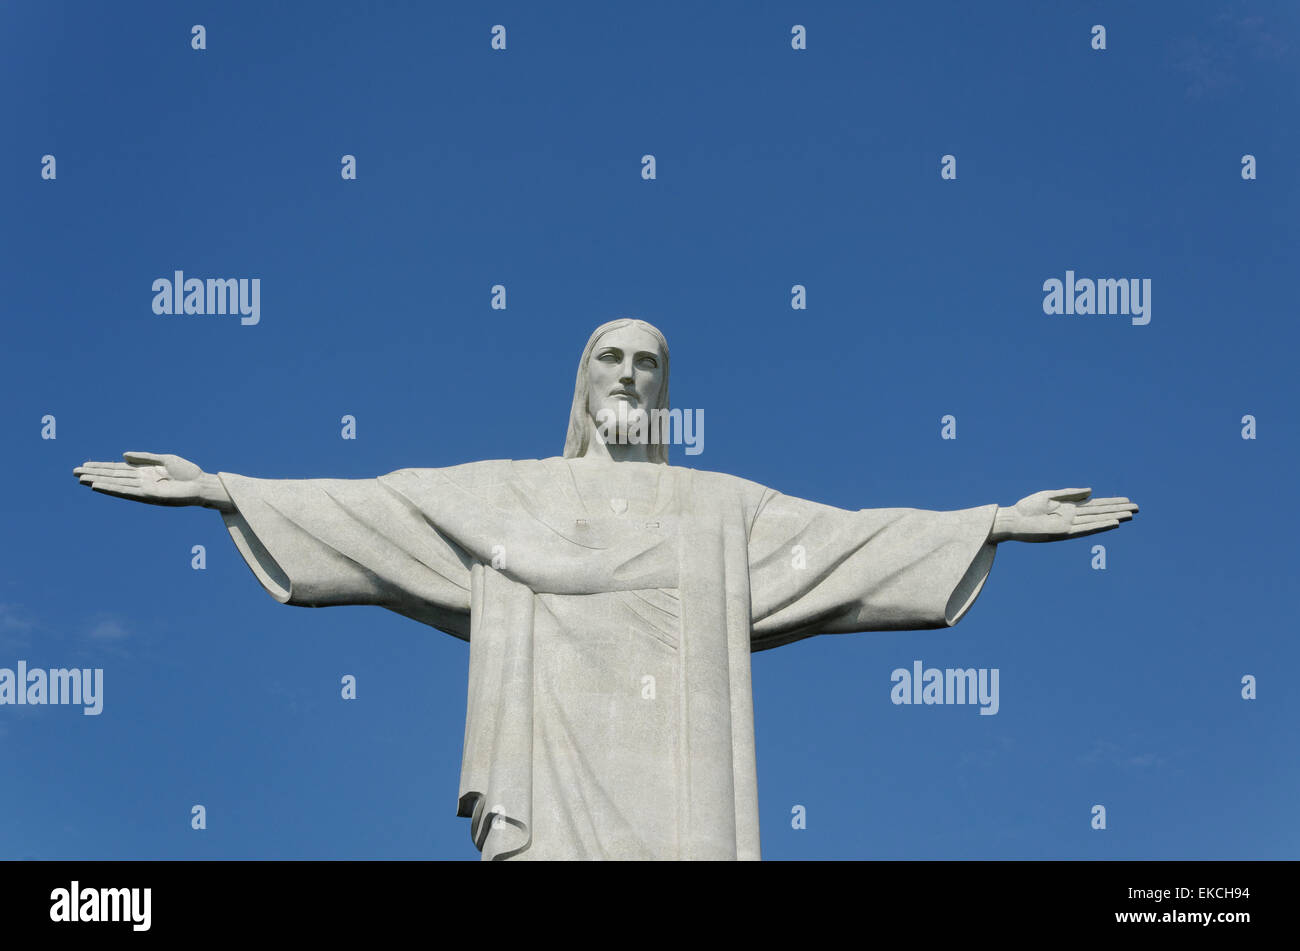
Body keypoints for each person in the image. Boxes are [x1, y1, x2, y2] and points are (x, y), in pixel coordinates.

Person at [73, 318, 1137, 860]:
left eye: (647, 366)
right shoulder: (507, 494)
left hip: (685, 803)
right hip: (551, 791)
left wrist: (990, 519)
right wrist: (223, 489)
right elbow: (376, 510)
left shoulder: (719, 510)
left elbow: (847, 546)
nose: (628, 376)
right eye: (610, 361)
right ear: (582, 384)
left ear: (664, 392)